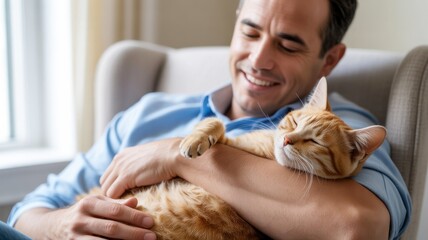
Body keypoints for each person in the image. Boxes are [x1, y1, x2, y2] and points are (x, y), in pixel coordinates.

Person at [8, 0, 411, 239]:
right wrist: (62, 225)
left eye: (288, 45)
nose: (258, 60)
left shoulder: (340, 127)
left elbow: (356, 227)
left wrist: (182, 157)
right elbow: (29, 210)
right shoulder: (149, 112)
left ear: (330, 59)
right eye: (250, 33)